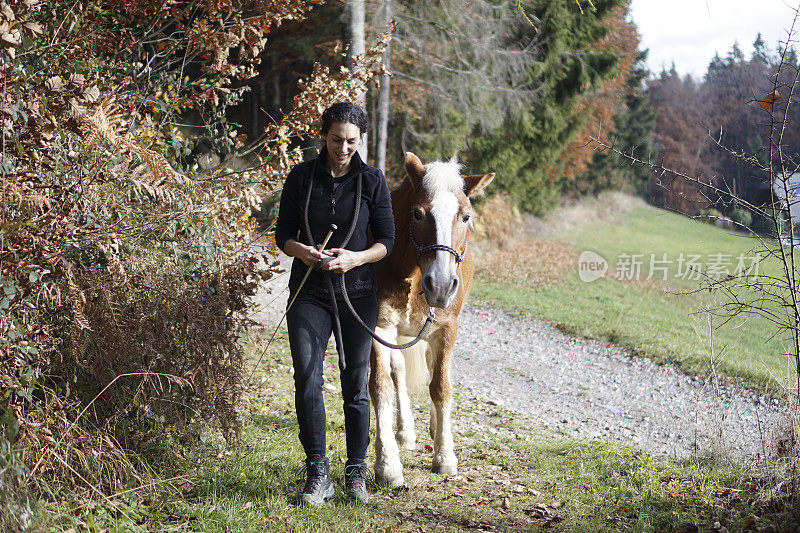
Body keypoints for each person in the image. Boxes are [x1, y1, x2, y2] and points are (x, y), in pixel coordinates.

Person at [274, 102, 395, 506]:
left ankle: (356, 472)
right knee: (307, 377)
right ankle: (317, 472)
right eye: (335, 139)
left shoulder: (373, 180)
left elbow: (387, 242)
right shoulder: (302, 177)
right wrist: (303, 252)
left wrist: (355, 258)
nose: (343, 148)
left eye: (351, 141)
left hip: (358, 295)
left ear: (360, 140)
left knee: (355, 385)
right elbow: (283, 235)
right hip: (309, 291)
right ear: (323, 136)